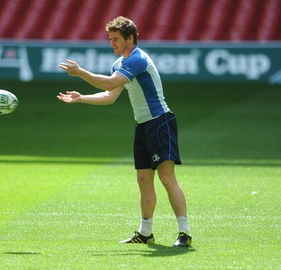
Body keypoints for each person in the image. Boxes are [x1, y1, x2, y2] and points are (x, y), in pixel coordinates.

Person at [58, 16, 192, 247]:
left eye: (116, 39)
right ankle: (146, 232)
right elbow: (110, 96)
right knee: (143, 179)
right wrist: (82, 99)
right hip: (143, 125)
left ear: (131, 38)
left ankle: (184, 232)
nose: (112, 43)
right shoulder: (119, 64)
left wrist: (80, 73)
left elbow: (110, 84)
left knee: (167, 178)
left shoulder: (138, 59)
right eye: (110, 39)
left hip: (160, 122)